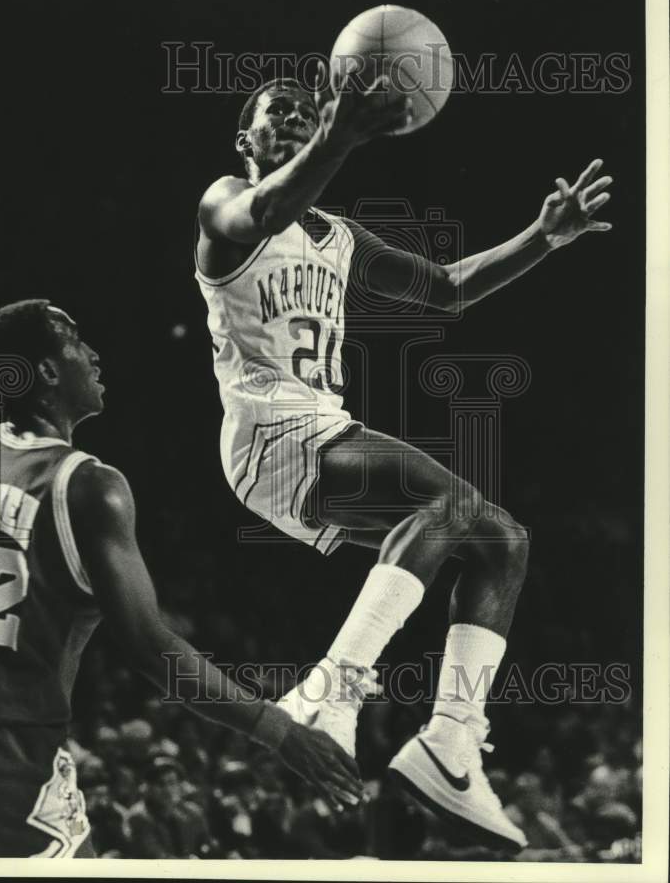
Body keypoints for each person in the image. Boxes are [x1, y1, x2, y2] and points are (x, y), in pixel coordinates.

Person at [195, 67, 613, 852]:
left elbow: (449, 289)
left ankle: (451, 743)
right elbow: (270, 205)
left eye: (303, 110)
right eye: (273, 113)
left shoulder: (341, 238)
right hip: (270, 433)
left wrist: (542, 238)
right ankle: (333, 686)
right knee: (450, 505)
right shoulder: (225, 203)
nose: (290, 119)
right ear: (244, 141)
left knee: (501, 542)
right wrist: (337, 133)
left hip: (319, 431)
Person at [0, 300, 362, 858]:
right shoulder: (88, 486)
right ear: (48, 372)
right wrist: (280, 730)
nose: (94, 354)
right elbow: (151, 649)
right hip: (3, 744)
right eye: (75, 340)